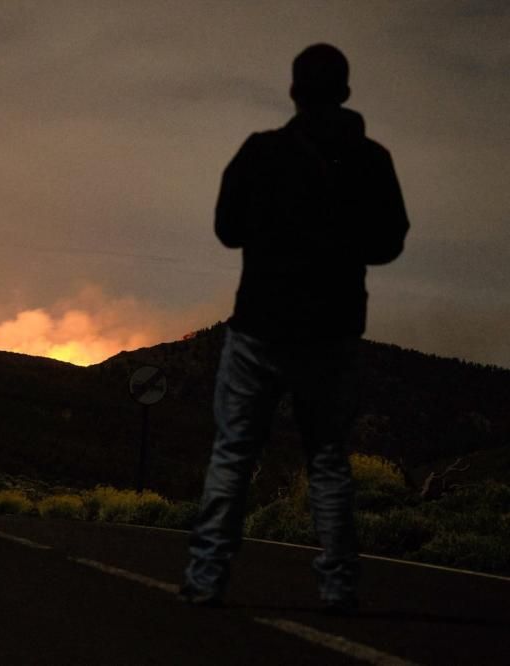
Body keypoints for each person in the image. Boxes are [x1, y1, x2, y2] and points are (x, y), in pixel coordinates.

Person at [179, 43, 409, 613]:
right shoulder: (372, 160)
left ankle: (206, 578)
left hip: (260, 325)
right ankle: (339, 587)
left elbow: (227, 230)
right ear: (345, 92)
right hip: (332, 331)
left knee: (234, 452)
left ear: (294, 92)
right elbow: (389, 242)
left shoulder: (261, 152)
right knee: (328, 458)